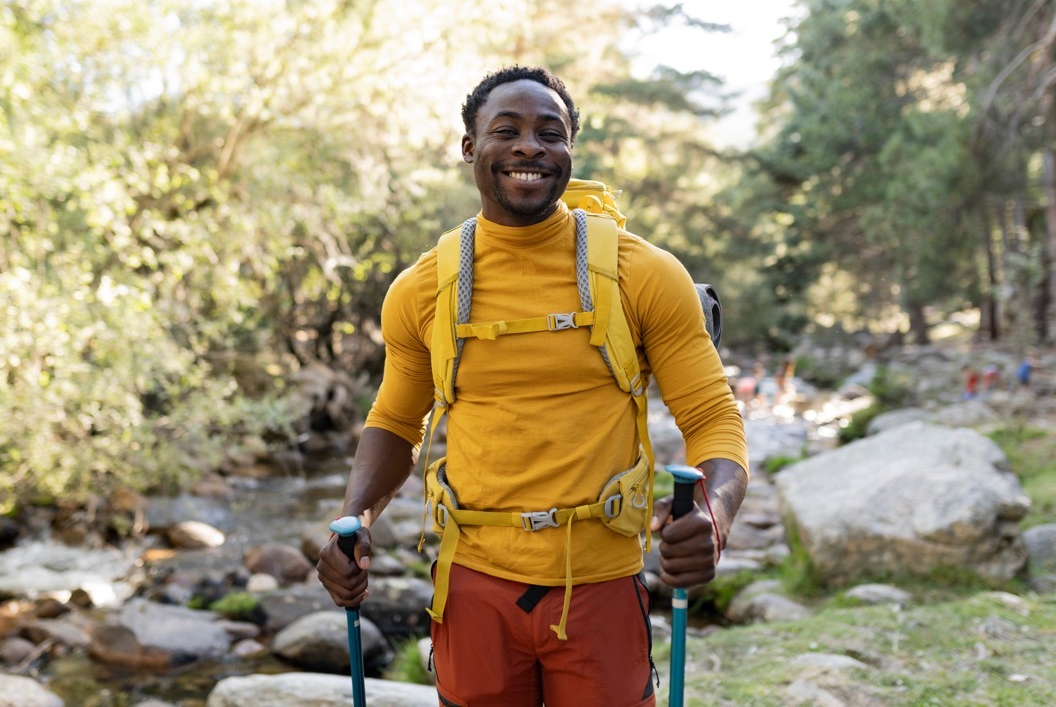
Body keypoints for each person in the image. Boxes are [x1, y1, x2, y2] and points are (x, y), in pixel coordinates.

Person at [316, 65, 749, 706]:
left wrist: (715, 515)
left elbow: (712, 416)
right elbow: (395, 423)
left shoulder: (645, 275)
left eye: (551, 132)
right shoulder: (421, 290)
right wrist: (353, 520)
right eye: (507, 130)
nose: (529, 147)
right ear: (470, 147)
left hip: (600, 583)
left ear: (570, 150)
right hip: (470, 585)